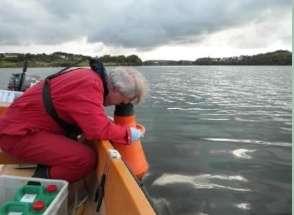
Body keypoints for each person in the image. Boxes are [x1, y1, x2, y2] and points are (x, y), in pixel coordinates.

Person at [0, 60, 147, 183]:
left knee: (77, 144)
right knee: (85, 159)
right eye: (123, 101)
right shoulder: (89, 85)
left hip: (22, 128)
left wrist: (104, 121)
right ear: (115, 89)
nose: (120, 105)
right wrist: (128, 134)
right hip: (17, 135)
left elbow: (89, 115)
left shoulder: (89, 77)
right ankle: (38, 183)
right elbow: (97, 129)